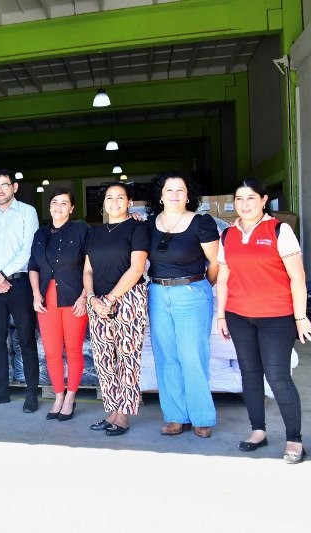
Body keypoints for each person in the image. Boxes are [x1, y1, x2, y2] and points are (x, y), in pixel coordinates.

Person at [216, 177, 311, 464]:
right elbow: (223, 279)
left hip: (276, 317)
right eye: (239, 199)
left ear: (263, 200)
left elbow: (297, 277)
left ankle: (294, 440)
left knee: (278, 376)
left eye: (251, 198)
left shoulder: (279, 230)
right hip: (239, 316)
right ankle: (258, 431)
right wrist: (221, 314)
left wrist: (301, 317)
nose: (244, 205)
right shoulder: (228, 235)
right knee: (249, 374)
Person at [146, 172, 219, 438]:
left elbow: (216, 263)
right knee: (166, 357)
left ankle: (201, 416)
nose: (175, 195)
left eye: (180, 190)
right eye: (169, 190)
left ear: (189, 195)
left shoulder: (202, 223)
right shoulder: (149, 224)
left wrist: (200, 286)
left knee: (192, 356)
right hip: (157, 293)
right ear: (161, 195)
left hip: (191, 293)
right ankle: (176, 416)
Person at [83, 183, 149, 436]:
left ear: (129, 201)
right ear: (103, 204)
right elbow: (87, 269)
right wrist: (91, 298)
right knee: (104, 359)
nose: (114, 201)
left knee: (127, 358)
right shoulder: (94, 233)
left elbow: (137, 268)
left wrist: (110, 298)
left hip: (128, 298)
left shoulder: (137, 228)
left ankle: (123, 415)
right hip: (98, 301)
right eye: (109, 197)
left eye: (120, 197)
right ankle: (112, 410)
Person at [0, 169, 41, 413]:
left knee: (26, 339)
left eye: (4, 185)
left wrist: (2, 274)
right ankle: (1, 390)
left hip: (20, 283)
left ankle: (31, 392)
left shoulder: (27, 212)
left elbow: (28, 248)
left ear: (14, 187)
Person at [28, 188, 90, 421]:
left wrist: (85, 296)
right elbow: (33, 266)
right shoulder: (40, 234)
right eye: (55, 202)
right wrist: (36, 294)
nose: (58, 206)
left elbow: (90, 265)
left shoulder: (82, 230)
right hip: (47, 299)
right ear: (49, 206)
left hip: (74, 298)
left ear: (72, 208)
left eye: (64, 203)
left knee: (73, 350)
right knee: (52, 352)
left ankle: (71, 397)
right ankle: (58, 396)